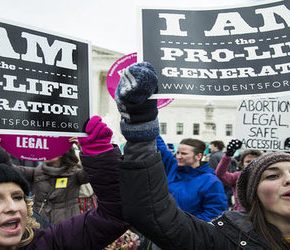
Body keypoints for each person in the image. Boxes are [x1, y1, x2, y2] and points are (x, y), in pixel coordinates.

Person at [115, 62, 290, 249]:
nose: (289, 180)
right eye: (273, 175)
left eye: (184, 153)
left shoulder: (209, 181)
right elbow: (152, 211)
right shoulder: (223, 240)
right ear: (252, 193)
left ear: (198, 156)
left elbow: (216, 196)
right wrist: (141, 123)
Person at [0, 116, 128, 249]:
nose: (12, 207)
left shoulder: (49, 243)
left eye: (17, 197)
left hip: (66, 222)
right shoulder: (37, 172)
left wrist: (96, 151)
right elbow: (9, 169)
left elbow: (113, 215)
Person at [156, 135, 228, 221]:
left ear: (198, 156)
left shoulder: (211, 181)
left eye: (184, 153)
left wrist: (188, 227)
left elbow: (215, 212)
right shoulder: (173, 167)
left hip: (189, 231)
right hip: (164, 227)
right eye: (178, 152)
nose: (178, 156)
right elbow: (161, 147)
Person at [12, 146, 90, 224]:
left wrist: (84, 145)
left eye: (52, 150)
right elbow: (10, 169)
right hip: (39, 226)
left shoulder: (75, 174)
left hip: (67, 227)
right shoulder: (36, 172)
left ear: (62, 153)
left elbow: (93, 169)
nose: (48, 153)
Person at [216, 141, 262, 211]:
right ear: (242, 164)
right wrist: (227, 156)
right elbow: (220, 174)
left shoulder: (265, 176)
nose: (252, 163)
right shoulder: (237, 176)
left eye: (255, 161)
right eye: (248, 161)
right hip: (240, 215)